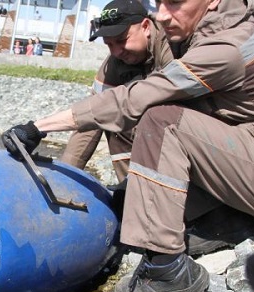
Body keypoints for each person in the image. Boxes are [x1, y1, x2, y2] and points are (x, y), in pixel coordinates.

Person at [2, 0, 254, 292]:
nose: (163, 15)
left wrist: (39, 126)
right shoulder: (193, 34)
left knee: (162, 121)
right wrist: (57, 187)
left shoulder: (222, 48)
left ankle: (167, 269)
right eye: (159, 2)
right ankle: (223, 222)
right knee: (125, 199)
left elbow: (133, 101)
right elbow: (93, 124)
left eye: (175, 2)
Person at [61, 0, 173, 184]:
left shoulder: (171, 44)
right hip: (150, 135)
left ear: (145, 27)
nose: (116, 52)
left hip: (185, 132)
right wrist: (63, 177)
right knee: (111, 117)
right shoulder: (115, 61)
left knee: (140, 115)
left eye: (121, 41)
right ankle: (130, 187)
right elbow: (92, 117)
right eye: (109, 44)